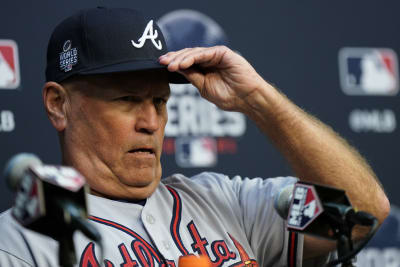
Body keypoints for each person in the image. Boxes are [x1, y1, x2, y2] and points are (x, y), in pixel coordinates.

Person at [0, 7, 389, 267]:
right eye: (128, 100)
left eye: (159, 100)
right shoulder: (18, 243)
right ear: (58, 104)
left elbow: (361, 214)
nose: (151, 121)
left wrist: (259, 100)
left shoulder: (228, 202)